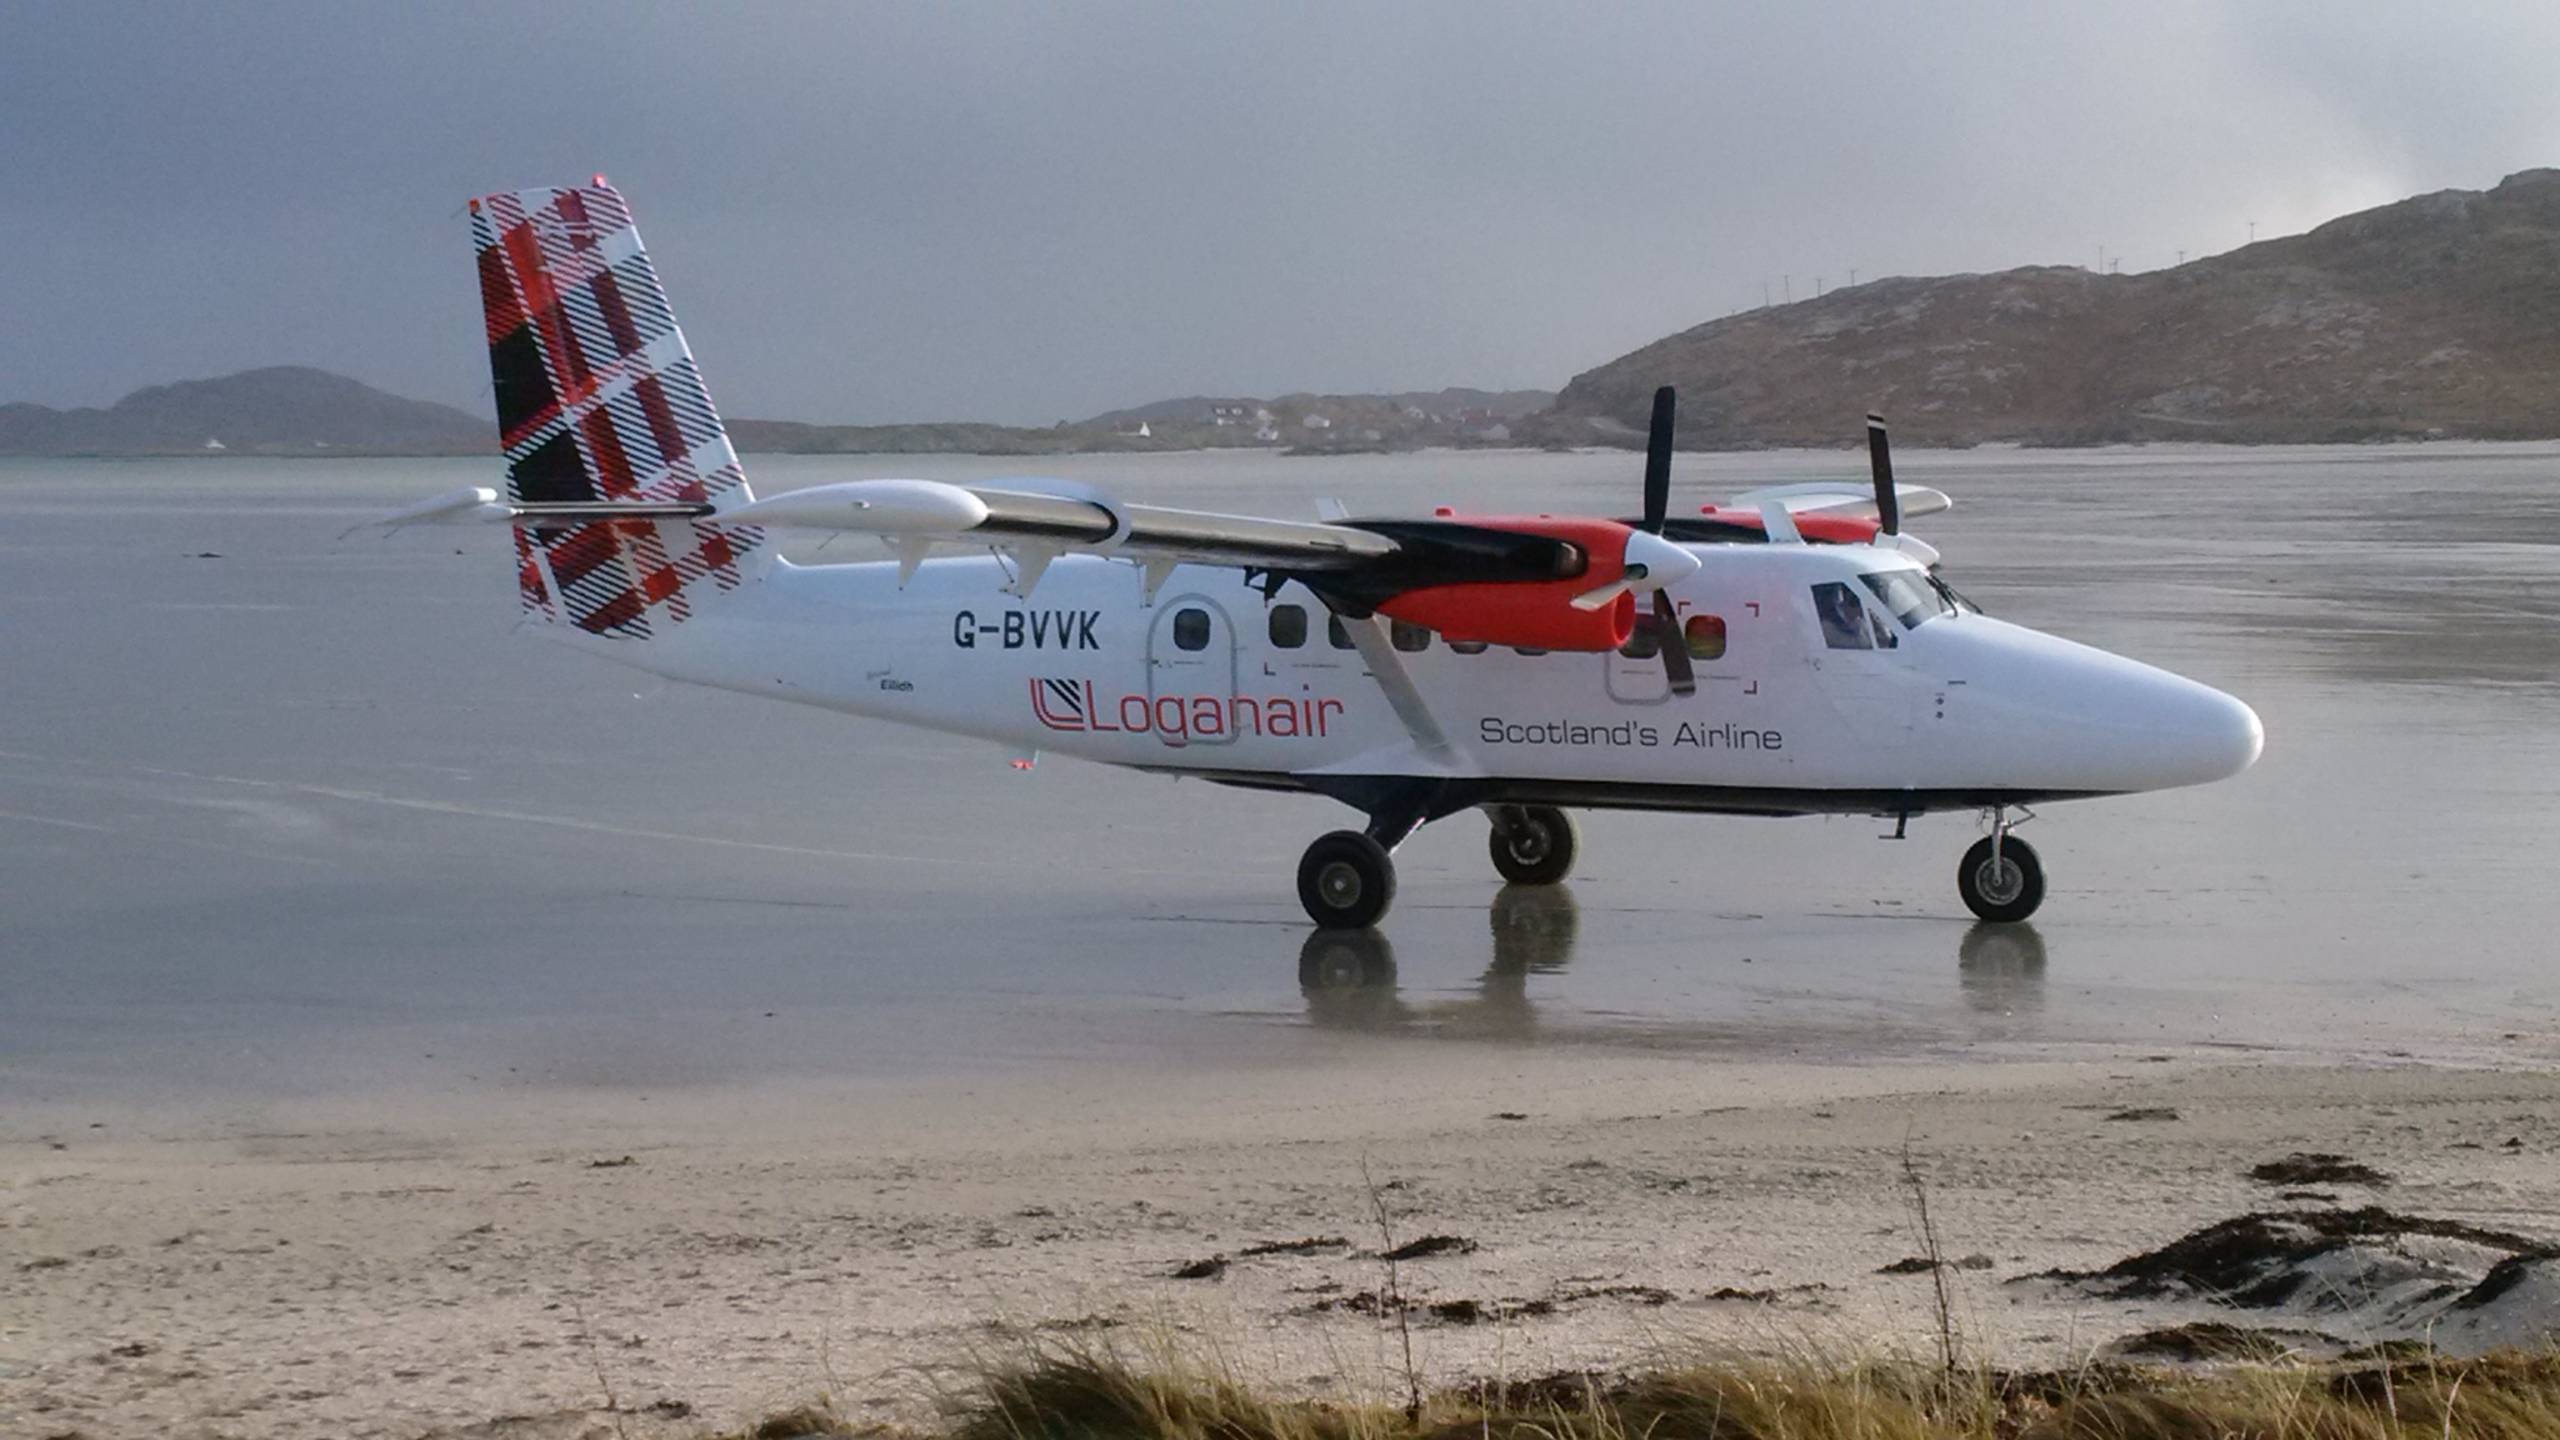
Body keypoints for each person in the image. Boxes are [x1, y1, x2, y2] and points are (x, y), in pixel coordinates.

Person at [1815, 582, 1870, 650]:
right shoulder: (1826, 627)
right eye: (1856, 603)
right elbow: (1859, 645)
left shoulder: (1860, 622)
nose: (1862, 612)